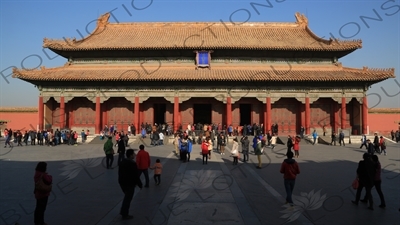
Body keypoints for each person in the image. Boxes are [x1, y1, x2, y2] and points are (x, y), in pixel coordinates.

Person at [118, 149, 143, 220]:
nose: (135, 155)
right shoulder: (132, 163)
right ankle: (124, 213)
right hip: (130, 184)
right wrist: (140, 184)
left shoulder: (122, 162)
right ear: (130, 155)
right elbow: (135, 175)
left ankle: (124, 212)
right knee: (128, 199)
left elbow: (120, 173)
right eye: (133, 154)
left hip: (123, 183)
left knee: (127, 197)